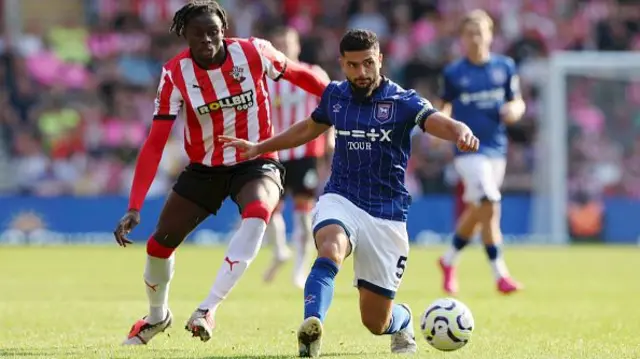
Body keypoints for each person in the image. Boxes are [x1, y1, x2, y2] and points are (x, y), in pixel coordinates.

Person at [220, 29, 479, 357]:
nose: (361, 72)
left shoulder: (402, 100)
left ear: (380, 60)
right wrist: (261, 146)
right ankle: (311, 326)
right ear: (342, 64)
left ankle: (403, 321)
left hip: (387, 214)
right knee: (330, 247)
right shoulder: (335, 96)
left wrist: (460, 131)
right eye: (353, 65)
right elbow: (308, 128)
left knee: (375, 322)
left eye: (368, 64)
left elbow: (433, 120)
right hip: (341, 197)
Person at [113, 0, 328, 345]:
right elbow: (155, 143)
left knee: (259, 211)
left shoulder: (254, 52)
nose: (207, 41)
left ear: (223, 30)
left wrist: (339, 94)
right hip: (205, 169)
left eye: (213, 32)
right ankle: (156, 317)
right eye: (198, 34)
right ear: (185, 35)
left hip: (256, 160)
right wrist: (135, 205)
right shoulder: (175, 73)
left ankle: (207, 309)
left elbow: (300, 74)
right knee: (157, 246)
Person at [436, 9, 526, 295]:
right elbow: (444, 107)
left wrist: (515, 110)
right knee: (490, 202)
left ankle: (448, 260)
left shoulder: (505, 67)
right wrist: (441, 128)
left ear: (490, 35)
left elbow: (517, 101)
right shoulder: (453, 73)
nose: (475, 38)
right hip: (468, 150)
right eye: (469, 33)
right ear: (462, 38)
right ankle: (500, 274)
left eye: (480, 32)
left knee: (481, 209)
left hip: (497, 148)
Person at [263, 26, 332, 288]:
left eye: (287, 43)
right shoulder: (267, 78)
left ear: (297, 46)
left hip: (306, 151)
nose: (283, 48)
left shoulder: (313, 74)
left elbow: (330, 105)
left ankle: (299, 270)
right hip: (274, 151)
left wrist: (331, 139)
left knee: (303, 212)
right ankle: (280, 250)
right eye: (278, 43)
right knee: (269, 208)